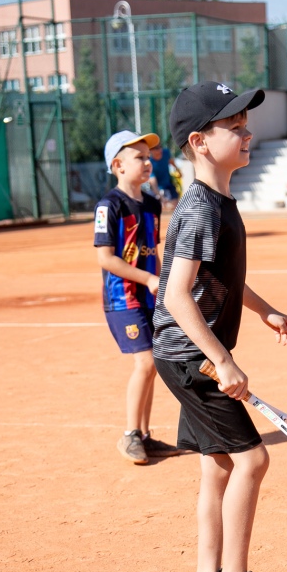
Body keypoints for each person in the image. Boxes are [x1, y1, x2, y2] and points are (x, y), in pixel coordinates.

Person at [152, 82, 287, 572]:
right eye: (233, 128)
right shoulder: (200, 209)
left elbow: (222, 279)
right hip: (192, 358)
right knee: (253, 460)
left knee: (218, 466)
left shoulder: (216, 202)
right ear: (200, 142)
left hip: (189, 353)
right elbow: (176, 295)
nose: (247, 134)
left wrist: (262, 309)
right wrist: (224, 360)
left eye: (245, 125)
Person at [94, 130, 186, 465]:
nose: (148, 162)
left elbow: (152, 250)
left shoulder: (151, 204)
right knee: (145, 362)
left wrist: (162, 287)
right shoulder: (109, 205)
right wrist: (147, 278)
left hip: (149, 296)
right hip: (123, 298)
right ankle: (130, 435)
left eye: (149, 157)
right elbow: (106, 258)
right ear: (117, 165)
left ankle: (145, 436)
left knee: (154, 366)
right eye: (139, 158)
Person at [149, 142, 178, 210]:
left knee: (175, 205)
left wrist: (177, 170)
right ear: (151, 150)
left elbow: (171, 161)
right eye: (156, 148)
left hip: (168, 185)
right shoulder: (150, 163)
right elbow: (153, 182)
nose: (159, 150)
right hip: (157, 189)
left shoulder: (166, 153)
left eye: (160, 147)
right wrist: (160, 197)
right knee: (161, 207)